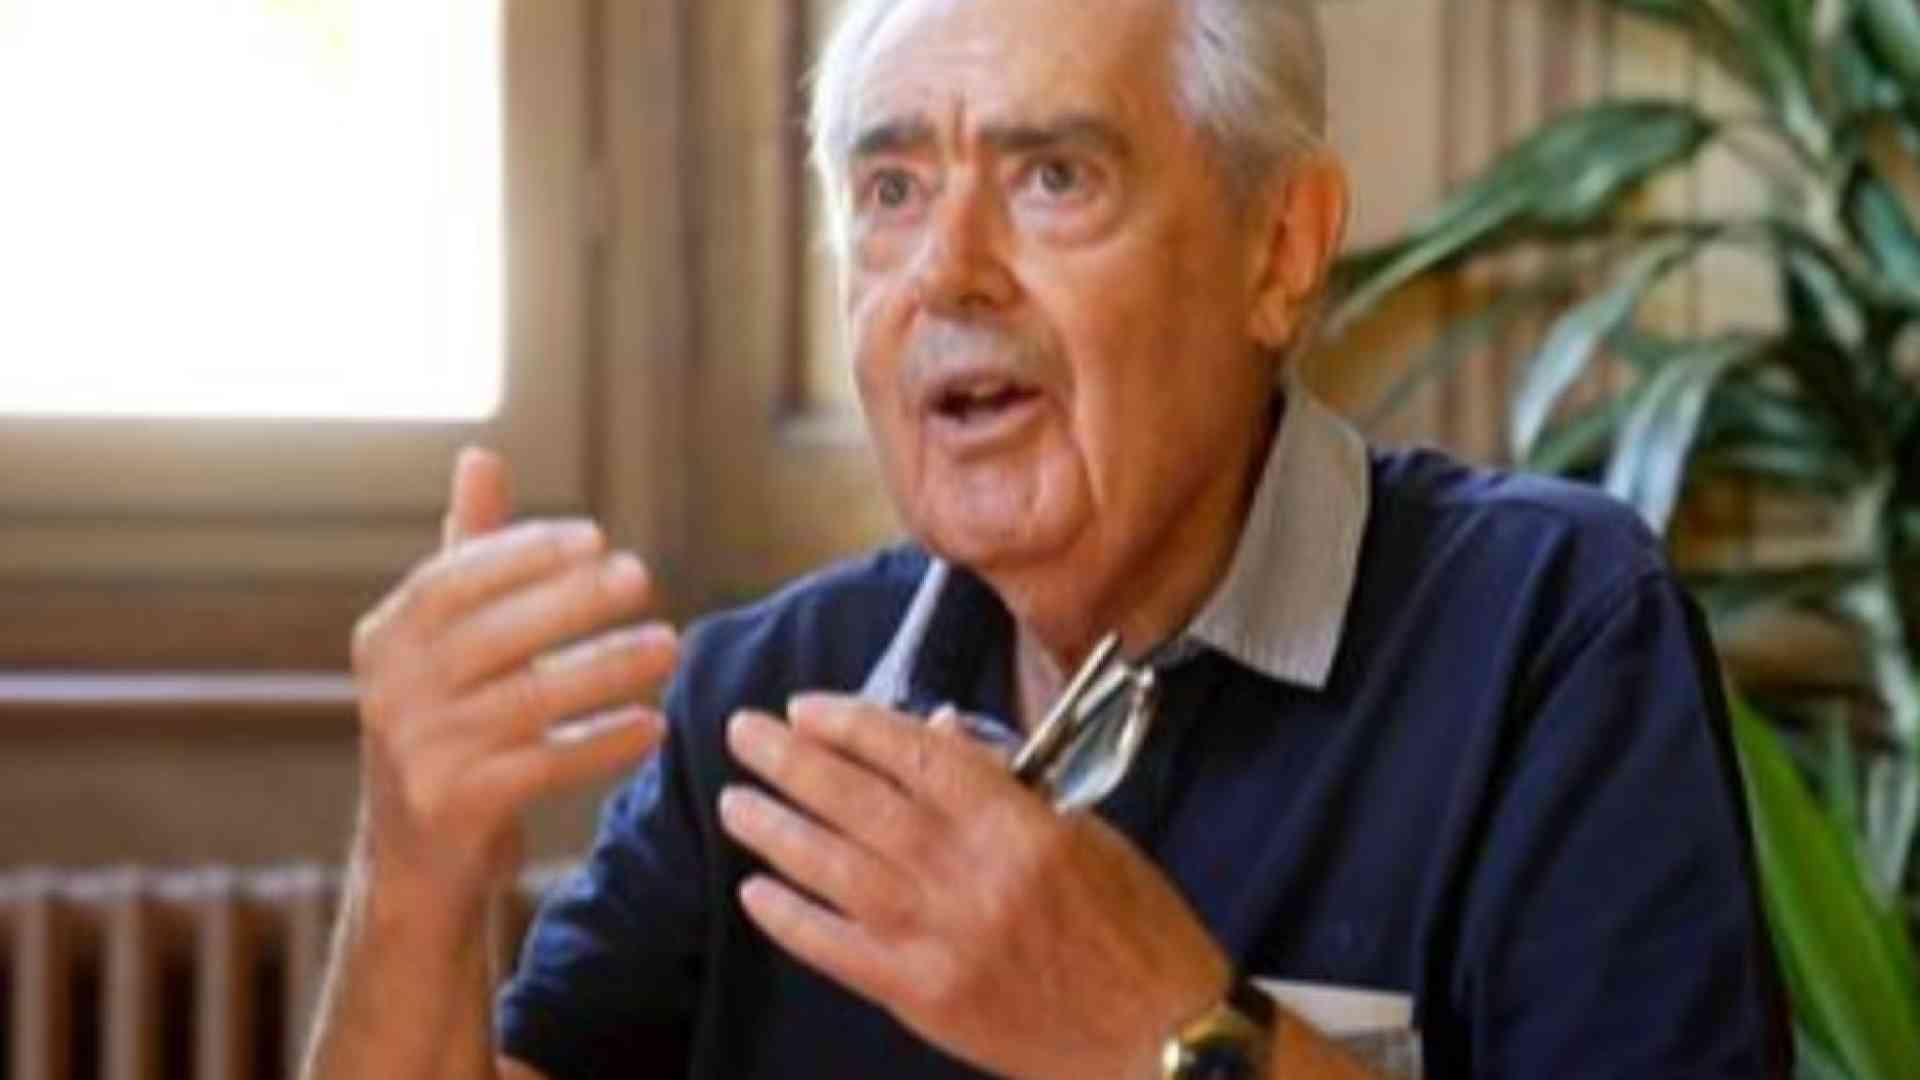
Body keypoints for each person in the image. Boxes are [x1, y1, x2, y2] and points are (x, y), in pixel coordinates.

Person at [300, 0, 1789, 1076]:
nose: (948, 272)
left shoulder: (1550, 629)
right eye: (891, 191)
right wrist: (415, 876)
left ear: (1279, 250)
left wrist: (1176, 1039)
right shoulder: (760, 703)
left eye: (1052, 177)